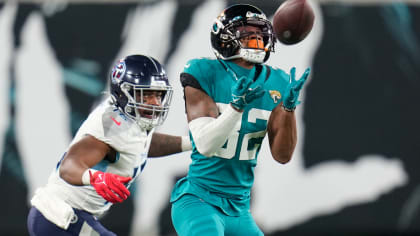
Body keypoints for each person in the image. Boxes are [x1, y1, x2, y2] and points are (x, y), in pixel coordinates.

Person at [170, 4, 311, 236]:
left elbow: (282, 156)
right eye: (247, 32)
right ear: (224, 37)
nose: (256, 37)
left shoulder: (278, 81)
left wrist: (288, 108)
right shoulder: (204, 71)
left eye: (259, 32)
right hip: (199, 201)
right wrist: (236, 108)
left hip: (240, 209)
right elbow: (205, 145)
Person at [27, 54, 192, 236]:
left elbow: (141, 145)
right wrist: (96, 177)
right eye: (146, 95)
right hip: (59, 218)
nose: (155, 102)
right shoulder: (110, 127)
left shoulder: (128, 118)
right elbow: (68, 167)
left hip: (63, 217)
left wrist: (191, 143)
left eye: (158, 94)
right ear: (122, 92)